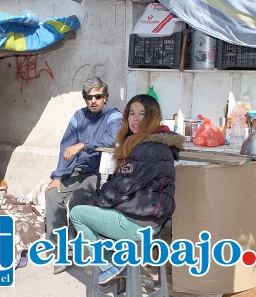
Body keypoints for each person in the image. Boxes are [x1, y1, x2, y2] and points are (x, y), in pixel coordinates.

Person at [70, 94, 185, 284]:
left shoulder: (146, 149)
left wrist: (97, 201)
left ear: (153, 118)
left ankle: (110, 265)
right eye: (132, 113)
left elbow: (121, 187)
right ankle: (114, 260)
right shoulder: (153, 145)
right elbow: (122, 182)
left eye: (142, 114)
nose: (136, 119)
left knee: (78, 214)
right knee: (96, 210)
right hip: (151, 221)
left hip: (138, 224)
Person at [45, 77, 123, 274]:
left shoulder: (113, 116)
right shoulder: (78, 116)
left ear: (105, 97)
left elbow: (113, 139)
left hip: (99, 172)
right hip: (77, 170)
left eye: (98, 96)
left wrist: (83, 144)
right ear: (85, 99)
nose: (93, 101)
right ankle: (60, 250)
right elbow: (66, 147)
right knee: (52, 194)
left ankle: (76, 245)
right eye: (89, 97)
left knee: (79, 199)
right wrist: (58, 176)